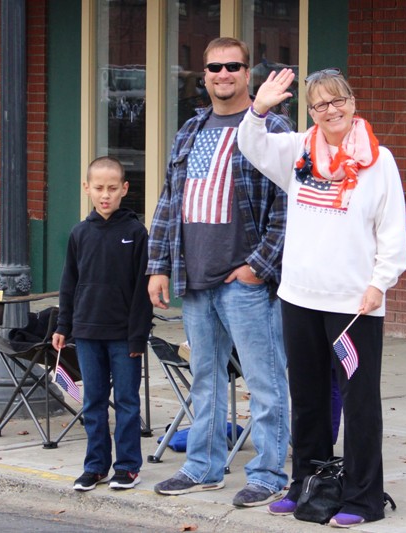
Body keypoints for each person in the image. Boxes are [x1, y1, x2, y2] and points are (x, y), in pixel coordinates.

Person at [237, 67, 406, 527]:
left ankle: (362, 498)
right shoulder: (298, 151)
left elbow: (393, 233)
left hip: (354, 305)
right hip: (299, 297)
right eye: (320, 105)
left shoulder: (380, 161)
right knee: (309, 396)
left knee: (359, 401)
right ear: (310, 112)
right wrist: (259, 108)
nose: (331, 111)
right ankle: (307, 486)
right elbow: (250, 145)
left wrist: (380, 283)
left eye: (338, 101)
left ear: (353, 102)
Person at [147, 37, 291, 507]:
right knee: (206, 378)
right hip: (195, 277)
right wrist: (159, 266)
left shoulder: (273, 126)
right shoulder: (190, 128)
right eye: (214, 67)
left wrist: (258, 267)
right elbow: (170, 199)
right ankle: (203, 467)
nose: (223, 74)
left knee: (265, 380)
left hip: (245, 282)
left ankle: (269, 472)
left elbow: (288, 206)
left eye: (233, 66)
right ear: (203, 74)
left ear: (248, 73)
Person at [52, 156, 152, 493]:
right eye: (99, 188)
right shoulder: (80, 233)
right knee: (93, 401)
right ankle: (95, 466)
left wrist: (139, 336)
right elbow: (70, 283)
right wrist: (63, 326)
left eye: (112, 188)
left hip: (124, 336)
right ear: (87, 189)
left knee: (126, 401)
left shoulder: (136, 232)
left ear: (124, 189)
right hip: (87, 332)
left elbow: (143, 291)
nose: (105, 195)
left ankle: (127, 467)